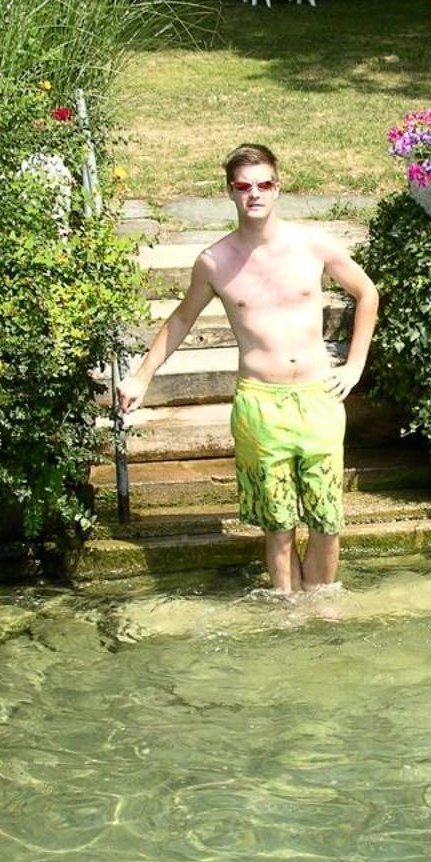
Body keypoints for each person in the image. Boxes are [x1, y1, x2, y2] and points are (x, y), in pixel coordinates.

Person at [116, 144, 378, 594]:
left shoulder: (312, 244)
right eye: (243, 186)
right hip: (260, 404)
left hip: (319, 398)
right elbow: (181, 319)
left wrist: (355, 365)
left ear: (278, 187)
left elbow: (367, 293)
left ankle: (324, 613)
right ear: (230, 192)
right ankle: (288, 615)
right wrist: (142, 375)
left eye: (264, 184)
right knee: (277, 525)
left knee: (327, 519)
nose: (254, 194)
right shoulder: (215, 261)